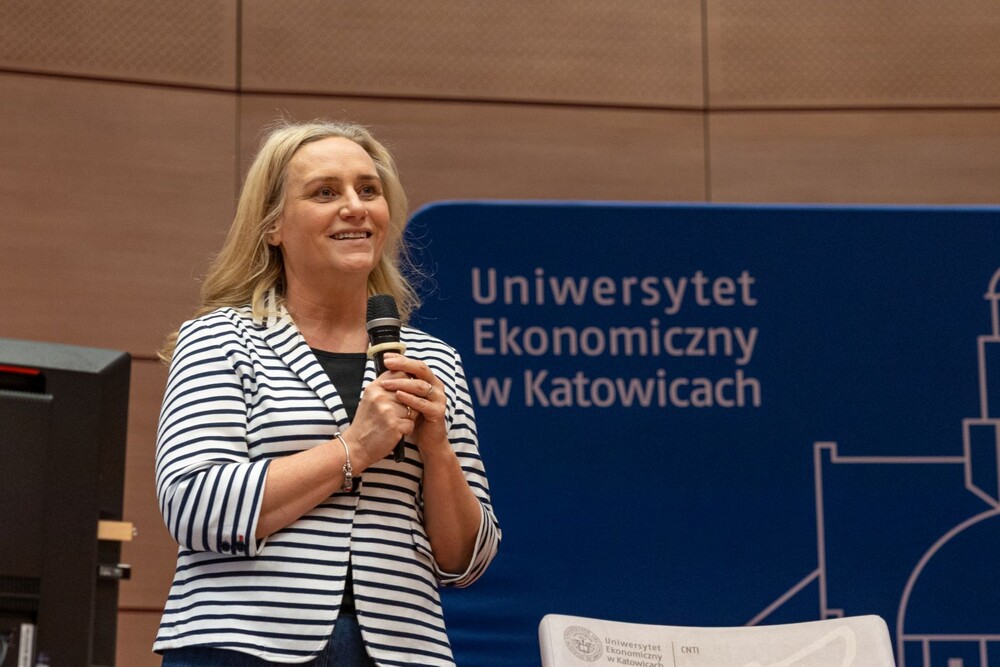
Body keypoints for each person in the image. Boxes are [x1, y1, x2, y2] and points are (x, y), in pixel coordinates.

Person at [153, 119, 501, 666]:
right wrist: (353, 449)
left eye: (369, 190)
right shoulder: (220, 339)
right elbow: (195, 505)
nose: (355, 207)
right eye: (325, 192)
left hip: (402, 648)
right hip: (243, 646)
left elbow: (466, 560)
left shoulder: (433, 360)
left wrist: (436, 450)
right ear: (273, 225)